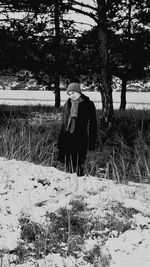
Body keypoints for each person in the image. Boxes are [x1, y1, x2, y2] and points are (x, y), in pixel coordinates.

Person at [57, 81, 97, 176]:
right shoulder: (67, 104)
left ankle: (80, 183)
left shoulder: (88, 104)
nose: (72, 96)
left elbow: (93, 125)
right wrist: (60, 141)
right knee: (67, 164)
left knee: (78, 164)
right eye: (69, 94)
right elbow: (64, 123)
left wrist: (91, 144)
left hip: (80, 138)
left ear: (79, 92)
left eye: (73, 93)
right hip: (67, 137)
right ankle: (71, 183)